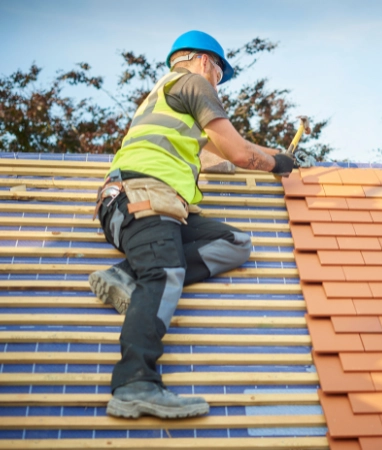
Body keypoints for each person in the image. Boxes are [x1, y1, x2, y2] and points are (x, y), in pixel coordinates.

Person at [88, 30, 295, 420]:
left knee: (234, 243)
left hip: (147, 206)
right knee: (165, 274)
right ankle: (136, 383)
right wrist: (277, 165)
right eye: (219, 72)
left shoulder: (169, 97)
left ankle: (127, 274)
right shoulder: (194, 83)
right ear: (204, 61)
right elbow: (237, 151)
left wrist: (277, 155)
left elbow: (228, 147)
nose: (218, 82)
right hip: (143, 198)